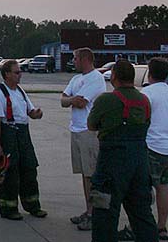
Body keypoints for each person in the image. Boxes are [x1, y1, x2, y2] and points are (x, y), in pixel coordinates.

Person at [87, 60, 158, 242]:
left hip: (112, 163)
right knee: (142, 213)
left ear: (114, 77)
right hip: (140, 162)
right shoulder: (144, 100)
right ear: (132, 78)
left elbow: (91, 124)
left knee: (105, 212)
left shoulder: (106, 99)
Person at [0, 59, 47, 220]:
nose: (20, 74)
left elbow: (30, 112)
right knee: (10, 172)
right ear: (7, 74)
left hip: (23, 134)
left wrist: (37, 114)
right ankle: (8, 208)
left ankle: (33, 205)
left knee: (29, 168)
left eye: (20, 71)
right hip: (8, 134)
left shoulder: (20, 91)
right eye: (16, 72)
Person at [61, 47, 107, 232]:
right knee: (84, 174)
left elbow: (82, 102)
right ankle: (88, 211)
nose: (74, 61)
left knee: (91, 175)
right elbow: (63, 100)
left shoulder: (95, 78)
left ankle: (94, 214)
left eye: (75, 58)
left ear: (85, 59)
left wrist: (71, 99)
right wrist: (72, 99)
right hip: (76, 130)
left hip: (90, 132)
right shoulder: (75, 79)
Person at [142, 58, 168, 241]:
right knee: (163, 187)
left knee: (142, 188)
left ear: (150, 72)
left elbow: (141, 119)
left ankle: (142, 226)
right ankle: (162, 227)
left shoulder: (147, 93)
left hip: (150, 146)